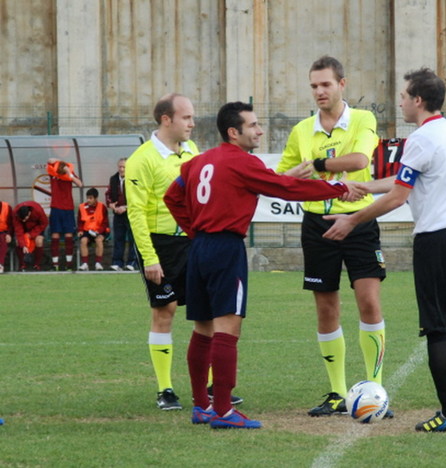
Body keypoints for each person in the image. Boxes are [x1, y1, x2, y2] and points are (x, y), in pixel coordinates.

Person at [164, 101, 361, 429]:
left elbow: (173, 197)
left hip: (198, 249)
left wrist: (195, 230)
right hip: (225, 248)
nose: (259, 130)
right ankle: (224, 411)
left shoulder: (197, 162)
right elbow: (287, 188)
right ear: (233, 132)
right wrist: (338, 188)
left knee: (202, 329)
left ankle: (202, 406)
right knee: (228, 327)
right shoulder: (243, 162)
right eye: (253, 125)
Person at [323, 68, 446, 432]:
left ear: (418, 100)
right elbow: (410, 178)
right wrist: (366, 186)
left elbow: (400, 196)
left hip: (438, 240)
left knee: (437, 329)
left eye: (404, 96)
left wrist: (352, 220)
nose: (400, 101)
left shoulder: (420, 138)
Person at [276, 56, 391, 417]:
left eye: (325, 84)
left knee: (369, 302)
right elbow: (283, 179)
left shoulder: (362, 119)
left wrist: (319, 167)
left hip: (358, 222)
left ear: (343, 84)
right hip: (316, 225)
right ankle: (337, 392)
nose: (319, 91)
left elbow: (358, 159)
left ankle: (375, 390)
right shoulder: (301, 131)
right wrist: (298, 176)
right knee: (326, 307)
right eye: (314, 86)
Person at [125, 93, 200, 410]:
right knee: (164, 311)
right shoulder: (141, 159)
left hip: (195, 241)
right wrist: (150, 258)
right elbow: (136, 212)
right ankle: (165, 390)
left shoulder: (193, 151)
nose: (192, 124)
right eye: (186, 118)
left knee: (206, 313)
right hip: (161, 245)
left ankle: (208, 386)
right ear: (166, 119)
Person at [46, 158, 83, 270]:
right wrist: (59, 162)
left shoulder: (69, 175)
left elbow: (80, 184)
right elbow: (49, 160)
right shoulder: (53, 173)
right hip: (56, 207)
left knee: (69, 235)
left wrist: (69, 173)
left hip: (68, 208)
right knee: (55, 235)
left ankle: (69, 264)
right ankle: (55, 264)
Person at [106, 158, 137, 271]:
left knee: (133, 238)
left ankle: (132, 263)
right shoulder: (113, 179)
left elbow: (137, 196)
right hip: (117, 213)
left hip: (131, 213)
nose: (121, 169)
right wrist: (111, 205)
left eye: (124, 167)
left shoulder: (134, 179)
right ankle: (117, 262)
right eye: (120, 166)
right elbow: (108, 194)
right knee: (118, 238)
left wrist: (127, 207)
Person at [77, 187, 110, 271]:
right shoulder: (81, 207)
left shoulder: (102, 207)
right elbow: (80, 221)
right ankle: (85, 264)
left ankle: (98, 263)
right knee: (83, 241)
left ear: (96, 198)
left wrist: (98, 231)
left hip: (99, 231)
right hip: (86, 231)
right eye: (87, 198)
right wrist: (80, 230)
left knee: (99, 240)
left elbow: (105, 223)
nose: (88, 200)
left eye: (91, 198)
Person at [12, 201, 48, 272]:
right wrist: (23, 245)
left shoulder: (37, 210)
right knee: (18, 242)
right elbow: (19, 231)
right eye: (22, 220)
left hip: (37, 229)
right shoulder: (15, 213)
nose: (24, 221)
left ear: (29, 213)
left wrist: (31, 234)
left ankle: (37, 265)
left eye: (26, 219)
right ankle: (22, 265)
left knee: (39, 241)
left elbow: (44, 223)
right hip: (24, 229)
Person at [0, 201, 12, 273]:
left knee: (3, 240)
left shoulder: (7, 207)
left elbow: (11, 224)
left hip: (3, 233)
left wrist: (9, 234)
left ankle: (0, 264)